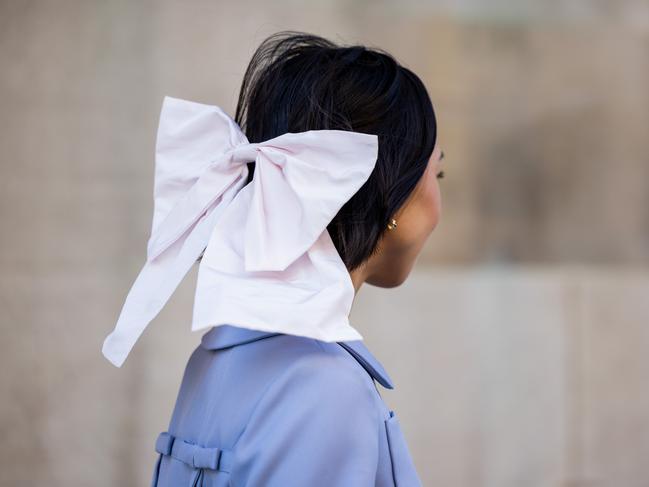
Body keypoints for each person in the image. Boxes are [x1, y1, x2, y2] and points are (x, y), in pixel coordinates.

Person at [110, 30, 445, 486]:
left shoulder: (213, 359)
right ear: (394, 194)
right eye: (436, 171)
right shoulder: (326, 387)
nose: (439, 199)